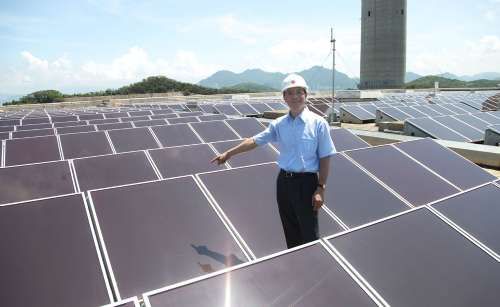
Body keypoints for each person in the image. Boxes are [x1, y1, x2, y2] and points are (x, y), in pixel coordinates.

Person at [211, 73, 335, 248]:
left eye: (299, 92)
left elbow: (325, 156)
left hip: (307, 183)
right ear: (284, 97)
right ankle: (297, 267)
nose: (295, 97)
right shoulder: (279, 124)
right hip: (284, 182)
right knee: (290, 230)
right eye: (290, 93)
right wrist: (229, 153)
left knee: (309, 233)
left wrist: (320, 188)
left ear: (306, 95)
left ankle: (314, 269)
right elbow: (254, 141)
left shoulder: (319, 123)